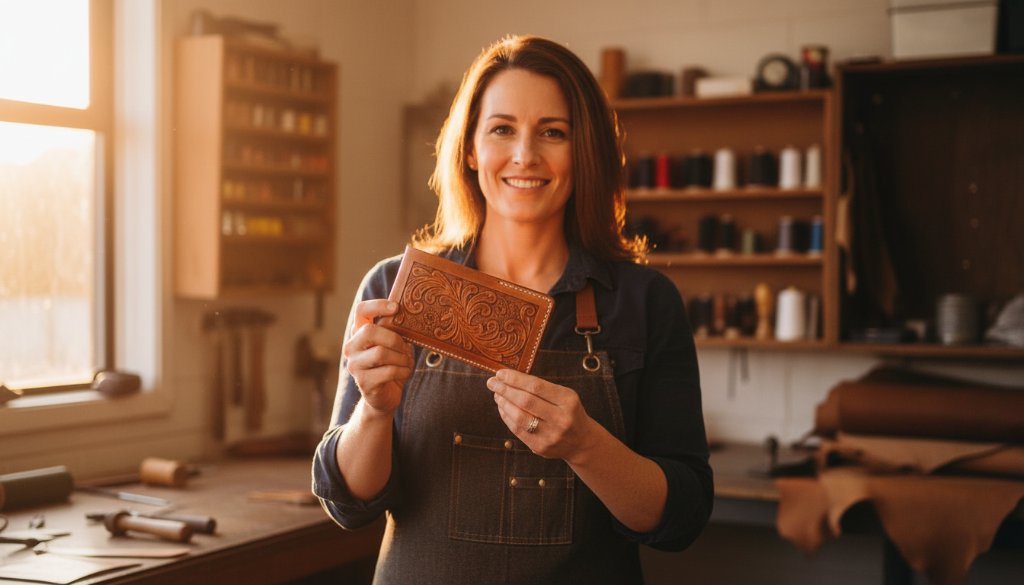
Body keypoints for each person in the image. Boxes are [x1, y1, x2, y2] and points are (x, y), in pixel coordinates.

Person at [312, 35, 712, 584]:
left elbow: (682, 518)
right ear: (470, 149)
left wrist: (587, 446)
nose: (525, 155)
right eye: (502, 129)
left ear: (585, 151)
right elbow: (348, 505)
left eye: (553, 132)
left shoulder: (644, 302)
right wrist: (374, 412)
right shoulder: (395, 288)